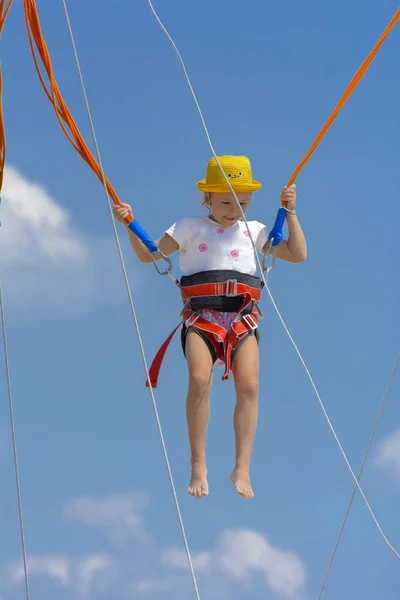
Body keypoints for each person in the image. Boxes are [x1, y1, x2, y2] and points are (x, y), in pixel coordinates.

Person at [113, 156, 307, 499]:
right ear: (207, 200)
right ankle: (198, 463)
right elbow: (150, 256)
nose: (234, 210)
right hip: (201, 319)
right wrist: (129, 224)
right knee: (200, 379)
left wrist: (289, 213)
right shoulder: (188, 227)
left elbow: (298, 254)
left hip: (242, 320)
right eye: (226, 202)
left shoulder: (256, 231)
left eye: (242, 203)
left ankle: (242, 467)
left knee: (249, 387)